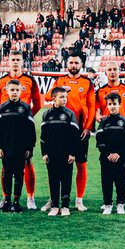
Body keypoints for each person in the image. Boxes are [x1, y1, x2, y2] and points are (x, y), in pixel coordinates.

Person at [0, 51, 43, 210]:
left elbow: (38, 103)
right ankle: (5, 198)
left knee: (27, 163)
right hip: (7, 130)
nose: (15, 62)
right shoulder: (1, 81)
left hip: (22, 130)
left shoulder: (30, 80)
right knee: (5, 167)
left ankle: (30, 197)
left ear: (22, 62)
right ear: (8, 61)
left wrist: (25, 117)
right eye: (12, 59)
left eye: (18, 60)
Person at [46, 54, 95, 211]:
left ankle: (79, 200)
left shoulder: (87, 82)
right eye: (71, 62)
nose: (74, 65)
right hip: (60, 131)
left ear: (81, 64)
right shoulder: (60, 80)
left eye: (76, 63)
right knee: (56, 165)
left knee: (81, 164)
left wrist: (88, 127)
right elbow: (47, 96)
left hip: (79, 131)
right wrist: (60, 90)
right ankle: (53, 199)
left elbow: (92, 106)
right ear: (66, 64)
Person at [96, 62, 125, 210]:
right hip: (109, 135)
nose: (112, 72)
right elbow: (97, 112)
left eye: (115, 69)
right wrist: (98, 117)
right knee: (108, 167)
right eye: (109, 69)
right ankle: (107, 201)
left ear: (119, 71)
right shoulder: (100, 91)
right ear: (106, 72)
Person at [40, 87, 81, 218]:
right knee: (53, 180)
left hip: (66, 154)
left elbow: (75, 136)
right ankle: (54, 206)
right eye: (61, 97)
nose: (64, 99)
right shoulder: (46, 114)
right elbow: (43, 136)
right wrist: (44, 153)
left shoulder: (70, 114)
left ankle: (65, 206)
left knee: (66, 180)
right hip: (51, 154)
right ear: (54, 99)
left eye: (65, 97)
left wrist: (73, 153)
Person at [96, 92, 125, 215]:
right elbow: (100, 140)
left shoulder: (124, 122)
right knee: (106, 182)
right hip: (106, 158)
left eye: (114, 104)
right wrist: (108, 153)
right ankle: (107, 205)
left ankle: (120, 204)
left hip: (120, 158)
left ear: (119, 105)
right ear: (107, 105)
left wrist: (119, 154)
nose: (112, 106)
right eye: (110, 104)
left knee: (120, 181)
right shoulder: (104, 122)